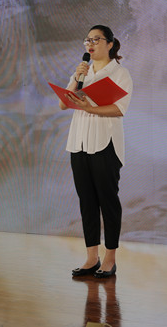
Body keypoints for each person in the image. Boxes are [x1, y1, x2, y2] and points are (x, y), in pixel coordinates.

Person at [60, 25, 132, 279]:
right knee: (86, 201)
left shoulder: (119, 73)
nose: (90, 44)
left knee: (107, 201)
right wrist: (76, 77)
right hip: (78, 143)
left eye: (96, 40)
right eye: (87, 40)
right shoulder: (82, 72)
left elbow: (119, 109)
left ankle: (110, 258)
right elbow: (63, 104)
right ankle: (92, 257)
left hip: (105, 144)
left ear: (110, 44)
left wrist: (90, 108)